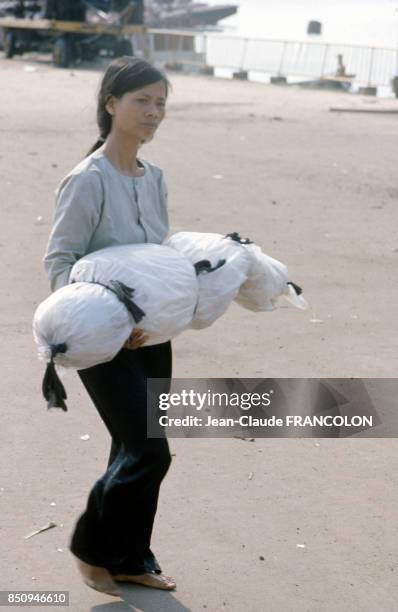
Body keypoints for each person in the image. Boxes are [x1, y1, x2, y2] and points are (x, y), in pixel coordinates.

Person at [43, 56, 176, 596]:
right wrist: (90, 326)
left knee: (133, 445)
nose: (153, 112)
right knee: (150, 451)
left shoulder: (156, 178)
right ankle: (91, 547)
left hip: (153, 335)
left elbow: (159, 256)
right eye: (142, 100)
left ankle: (130, 557)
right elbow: (61, 260)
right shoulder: (87, 179)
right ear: (111, 104)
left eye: (161, 103)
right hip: (102, 339)